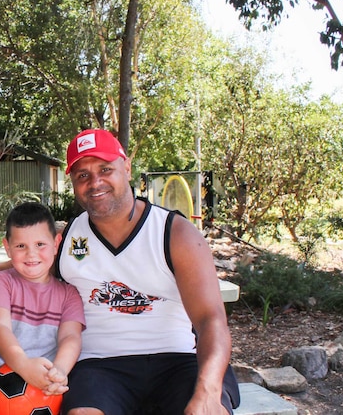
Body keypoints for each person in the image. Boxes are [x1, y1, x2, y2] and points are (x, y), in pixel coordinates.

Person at [56, 129, 239, 415]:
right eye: (83, 175)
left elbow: (210, 319)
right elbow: (17, 267)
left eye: (105, 169)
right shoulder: (67, 238)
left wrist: (208, 390)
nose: (95, 182)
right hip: (100, 365)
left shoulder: (176, 233)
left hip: (179, 360)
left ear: (126, 167)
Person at [0, 202, 85, 415]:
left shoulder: (69, 293)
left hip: (42, 391)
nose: (31, 254)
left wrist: (59, 371)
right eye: (21, 246)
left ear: (56, 243)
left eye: (40, 244)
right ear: (7, 247)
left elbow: (70, 337)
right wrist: (23, 365)